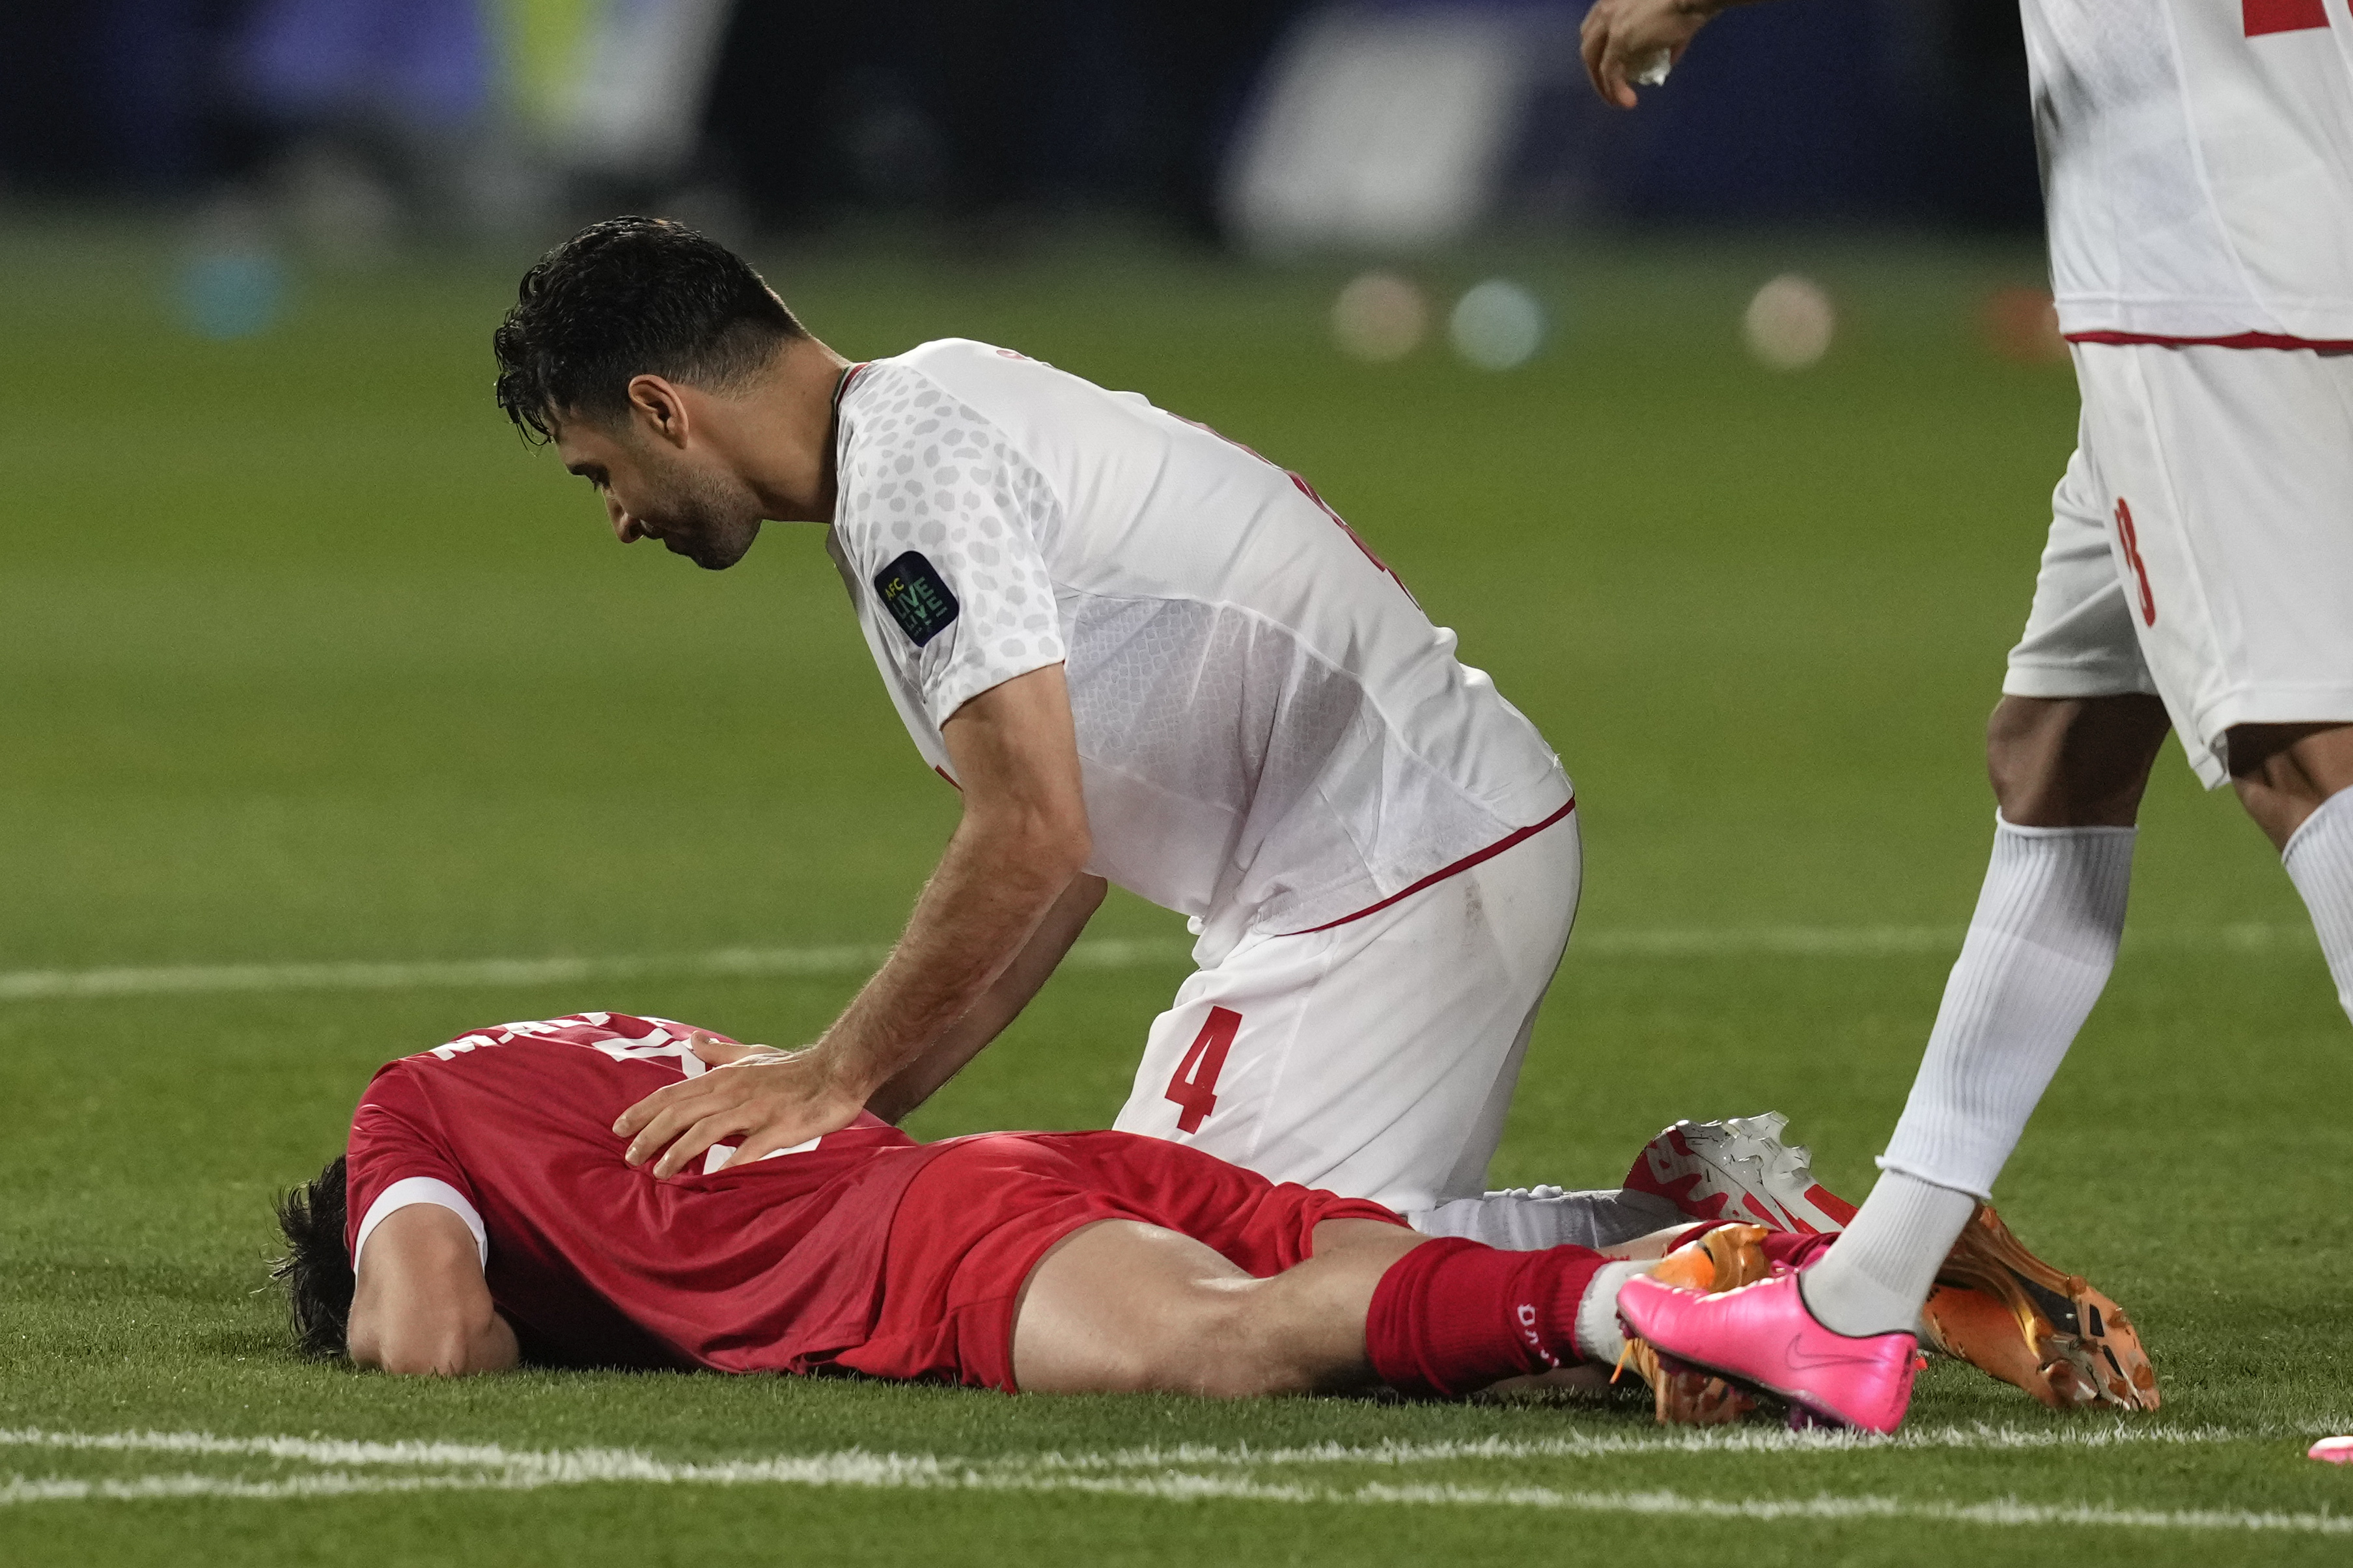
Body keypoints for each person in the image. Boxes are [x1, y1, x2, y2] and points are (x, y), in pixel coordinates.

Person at [487, 217, 1613, 1246]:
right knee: (1189, 1284)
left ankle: (1686, 1267)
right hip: (1385, 865)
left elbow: (1032, 829)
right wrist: (850, 1103)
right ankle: (1677, 1231)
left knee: (1224, 1286)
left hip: (1400, 868)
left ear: (662, 409)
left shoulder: (912, 476)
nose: (619, 518)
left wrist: (830, 1074)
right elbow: (1058, 869)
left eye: (600, 473)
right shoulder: (917, 423)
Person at [1580, 0, 2352, 1430]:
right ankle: (1858, 1297)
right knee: (2058, 749)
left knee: (2299, 753)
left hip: (2204, 267)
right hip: (2266, 217)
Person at [272, 1011, 2152, 1420]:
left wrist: (434, 1284)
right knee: (1389, 1297)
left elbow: (427, 1334)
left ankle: (1649, 1303)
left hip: (928, 1246)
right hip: (1035, 1163)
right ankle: (1827, 1246)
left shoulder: (408, 1109)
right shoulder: (593, 1043)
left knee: (1216, 1349)